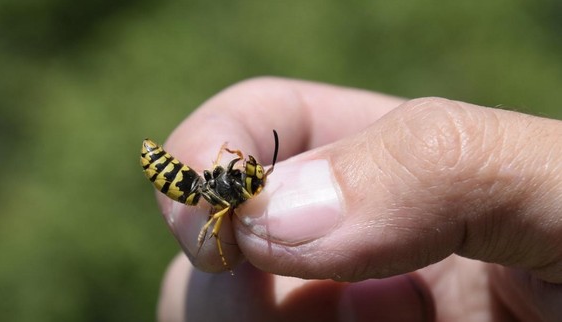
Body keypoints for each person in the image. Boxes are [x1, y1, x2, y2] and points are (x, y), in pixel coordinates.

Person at [154, 77, 562, 322]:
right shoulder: (228, 196)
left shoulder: (239, 191)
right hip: (188, 185)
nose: (259, 177)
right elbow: (216, 208)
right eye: (256, 176)